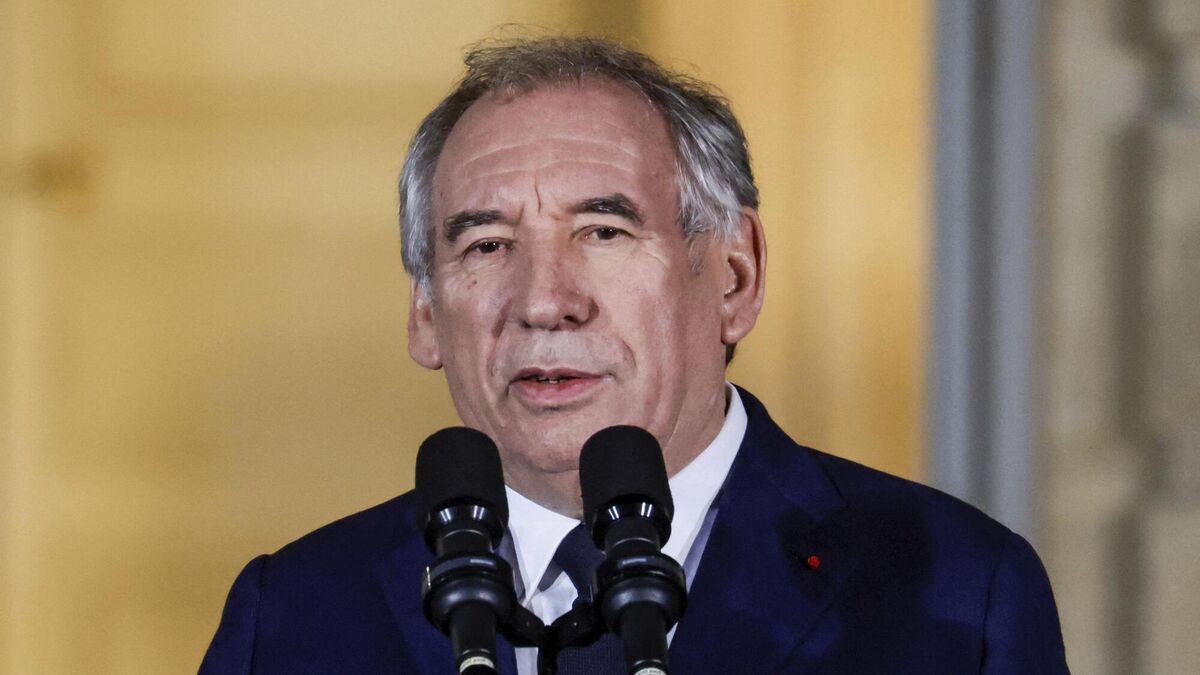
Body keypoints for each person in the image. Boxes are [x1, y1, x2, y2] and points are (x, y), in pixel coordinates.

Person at [200, 37, 1068, 674]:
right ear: (426, 311)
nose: (545, 300)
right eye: (486, 245)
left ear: (734, 275)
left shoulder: (956, 594)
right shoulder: (294, 615)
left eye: (603, 231)